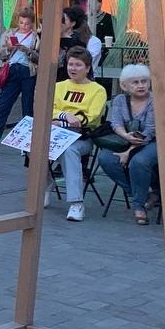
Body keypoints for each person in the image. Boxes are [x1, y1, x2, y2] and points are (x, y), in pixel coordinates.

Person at [96, 64, 159, 225]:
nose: (141, 85)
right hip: (125, 140)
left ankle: (138, 206)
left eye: (144, 81)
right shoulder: (119, 100)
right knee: (106, 158)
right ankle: (144, 195)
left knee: (139, 162)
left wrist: (129, 151)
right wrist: (125, 135)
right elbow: (116, 123)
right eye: (135, 82)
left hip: (152, 141)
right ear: (125, 85)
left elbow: (150, 130)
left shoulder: (154, 100)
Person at [51, 47, 108, 222]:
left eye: (78, 65)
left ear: (88, 68)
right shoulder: (58, 86)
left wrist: (60, 120)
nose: (73, 68)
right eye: (70, 64)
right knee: (32, 145)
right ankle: (44, 186)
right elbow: (48, 109)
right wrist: (64, 116)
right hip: (55, 133)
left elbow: (91, 117)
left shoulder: (98, 90)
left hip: (82, 136)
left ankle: (76, 202)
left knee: (69, 150)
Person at [0, 9, 40, 153]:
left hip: (28, 71)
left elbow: (39, 57)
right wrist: (9, 49)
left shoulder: (36, 37)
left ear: (32, 24)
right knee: (3, 105)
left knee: (27, 107)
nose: (24, 26)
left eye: (27, 24)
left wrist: (27, 51)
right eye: (21, 22)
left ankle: (27, 143)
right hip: (12, 70)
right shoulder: (9, 34)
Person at [58, 6, 102, 74]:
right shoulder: (56, 39)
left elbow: (86, 61)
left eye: (64, 20)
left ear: (73, 23)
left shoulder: (78, 40)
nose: (60, 23)